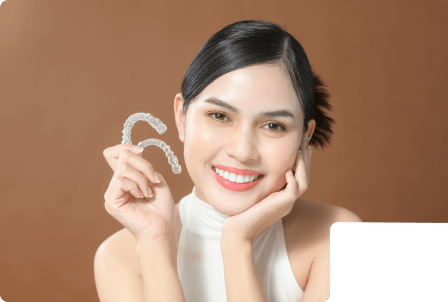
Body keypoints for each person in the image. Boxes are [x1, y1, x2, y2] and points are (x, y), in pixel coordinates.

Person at [94, 20, 362, 302]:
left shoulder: (332, 236)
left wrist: (237, 244)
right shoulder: (119, 256)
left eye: (273, 126)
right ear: (181, 117)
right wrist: (156, 244)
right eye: (220, 116)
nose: (243, 150)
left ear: (304, 137)